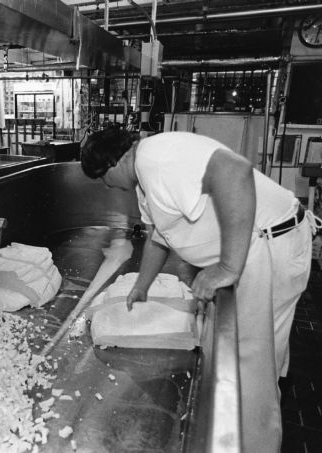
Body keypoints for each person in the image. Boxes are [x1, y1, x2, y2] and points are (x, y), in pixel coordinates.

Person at [80, 128, 321, 453]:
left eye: (103, 177)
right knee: (249, 360)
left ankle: (253, 445)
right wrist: (142, 285)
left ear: (115, 160)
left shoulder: (157, 158)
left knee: (251, 365)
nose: (107, 186)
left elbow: (235, 172)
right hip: (253, 250)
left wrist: (227, 268)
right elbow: (158, 237)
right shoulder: (144, 179)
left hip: (269, 244)